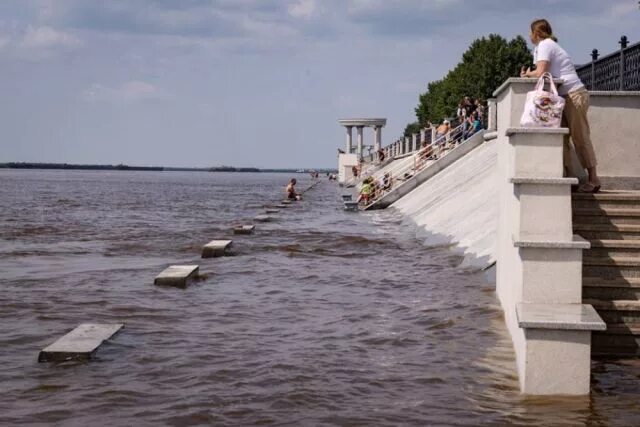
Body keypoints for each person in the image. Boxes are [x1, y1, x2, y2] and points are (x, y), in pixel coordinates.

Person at [520, 18, 601, 193]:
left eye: (530, 32)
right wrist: (531, 73)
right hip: (565, 97)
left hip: (573, 94)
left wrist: (527, 75)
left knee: (580, 137)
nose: (529, 36)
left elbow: (541, 72)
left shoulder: (545, 45)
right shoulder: (545, 47)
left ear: (537, 33)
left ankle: (594, 179)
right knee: (561, 138)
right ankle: (570, 180)